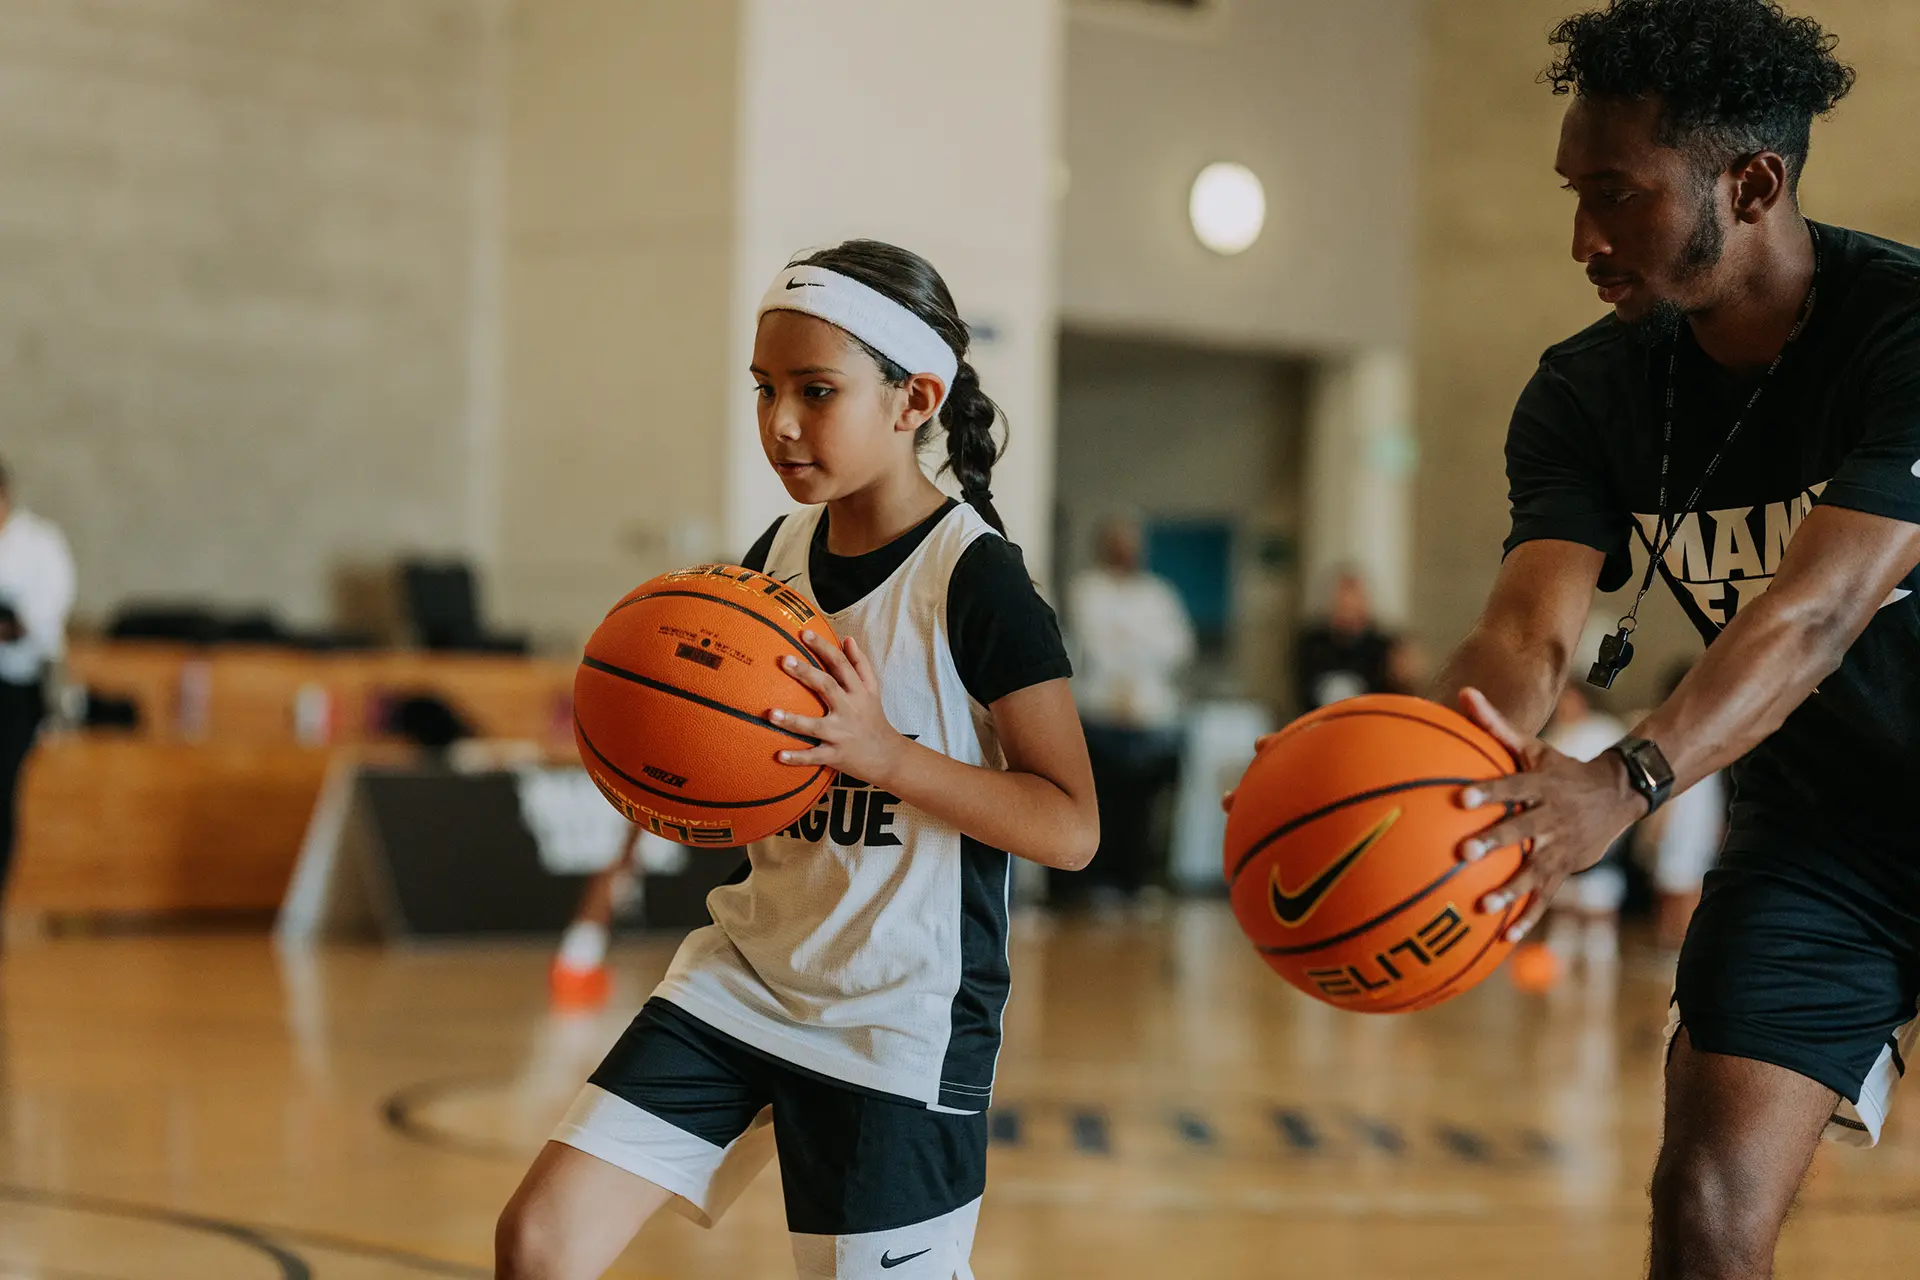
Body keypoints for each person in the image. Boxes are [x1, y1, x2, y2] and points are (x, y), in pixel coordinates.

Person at [495, 240, 1098, 1280]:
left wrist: (886, 755)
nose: (780, 421)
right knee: (539, 1241)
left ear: (914, 399)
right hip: (743, 977)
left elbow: (1071, 826)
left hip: (895, 1019)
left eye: (816, 391)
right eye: (765, 388)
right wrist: (669, 763)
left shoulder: (976, 579)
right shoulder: (771, 559)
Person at [1428, 3, 1919, 1273]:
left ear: (1752, 185)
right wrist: (1415, 769)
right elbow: (1525, 631)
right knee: (1703, 1206)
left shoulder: (1904, 332)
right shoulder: (1585, 390)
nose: (1582, 239)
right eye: (1574, 194)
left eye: (1618, 196)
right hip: (1823, 840)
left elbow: (1817, 611)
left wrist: (1626, 780)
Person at [1061, 517, 1193, 903]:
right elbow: (1094, 642)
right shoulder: (1087, 589)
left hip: (1147, 716)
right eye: (1118, 542)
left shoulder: (1158, 594)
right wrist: (1136, 644)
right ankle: (1095, 884)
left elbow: (1176, 647)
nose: (1125, 550)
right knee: (1100, 800)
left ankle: (1134, 882)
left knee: (1141, 805)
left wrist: (1129, 643)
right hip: (1100, 711)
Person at [0, 461, 75, 904]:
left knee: (0, 790)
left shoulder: (40, 545)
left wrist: (15, 624)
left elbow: (42, 619)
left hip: (16, 685)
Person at [1631, 662, 1728, 954]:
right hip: (1683, 822)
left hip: (1691, 825)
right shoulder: (1669, 730)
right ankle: (1674, 952)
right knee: (1674, 892)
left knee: (1683, 892)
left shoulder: (1711, 728)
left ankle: (1682, 953)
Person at [1538, 683, 1628, 972]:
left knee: (1597, 910)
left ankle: (1600, 973)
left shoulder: (1604, 730)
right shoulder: (1555, 736)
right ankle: (1558, 973)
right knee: (1564, 910)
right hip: (1558, 835)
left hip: (1601, 831)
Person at [1293, 567, 1394, 711]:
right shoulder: (1312, 646)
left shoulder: (1382, 648)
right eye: (1342, 599)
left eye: (1353, 598)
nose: (1347, 605)